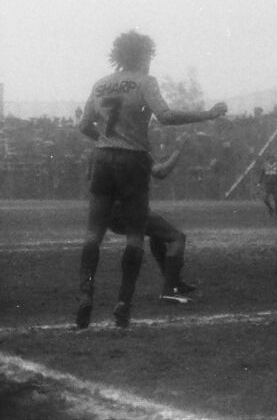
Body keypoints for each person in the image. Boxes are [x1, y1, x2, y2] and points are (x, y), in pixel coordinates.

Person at [76, 30, 227, 329]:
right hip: (132, 160)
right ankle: (123, 303)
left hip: (103, 158)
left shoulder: (100, 83)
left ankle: (85, 296)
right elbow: (166, 116)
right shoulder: (145, 81)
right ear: (142, 55)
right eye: (148, 55)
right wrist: (208, 114)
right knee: (135, 235)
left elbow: (83, 126)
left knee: (93, 234)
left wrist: (106, 138)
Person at [108, 135, 198, 305]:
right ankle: (169, 290)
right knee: (177, 238)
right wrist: (179, 150)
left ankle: (174, 282)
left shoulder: (109, 152)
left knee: (158, 236)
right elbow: (161, 172)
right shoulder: (137, 152)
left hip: (111, 213)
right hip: (131, 210)